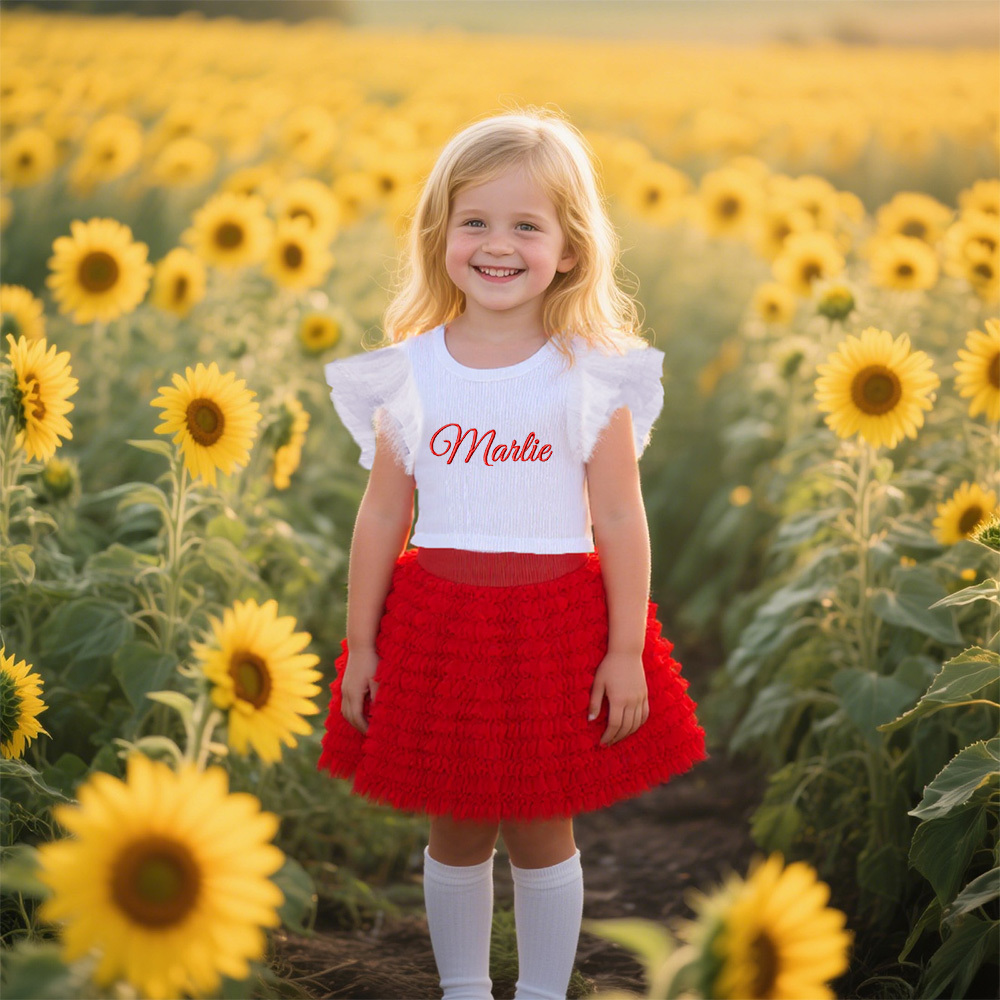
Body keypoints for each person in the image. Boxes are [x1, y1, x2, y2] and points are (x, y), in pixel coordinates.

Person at [316, 107, 707, 1000]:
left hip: (556, 620)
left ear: (569, 248)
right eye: (476, 222)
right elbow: (382, 516)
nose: (499, 245)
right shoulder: (408, 371)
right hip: (441, 620)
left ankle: (538, 992)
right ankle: (462, 989)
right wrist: (364, 644)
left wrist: (622, 649)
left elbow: (618, 514)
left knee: (541, 825)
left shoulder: (589, 373)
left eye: (526, 225)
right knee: (455, 825)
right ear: (441, 235)